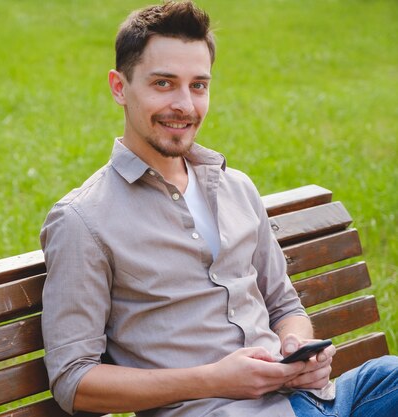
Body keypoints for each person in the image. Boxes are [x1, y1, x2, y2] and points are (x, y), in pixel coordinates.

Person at [39, 2, 398, 417]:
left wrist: (298, 351)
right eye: (163, 83)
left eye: (198, 86)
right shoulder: (84, 220)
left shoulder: (235, 187)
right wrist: (214, 379)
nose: (185, 106)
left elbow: (284, 306)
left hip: (314, 401)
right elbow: (73, 381)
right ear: (119, 87)